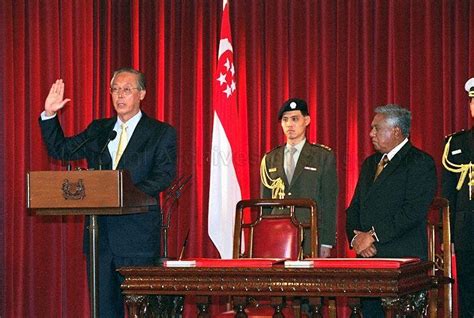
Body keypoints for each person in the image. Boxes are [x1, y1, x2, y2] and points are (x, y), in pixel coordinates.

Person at [39, 67, 177, 317]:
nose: (120, 96)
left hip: (138, 238)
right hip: (99, 237)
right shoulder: (99, 130)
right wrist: (49, 114)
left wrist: (122, 192)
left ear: (142, 94)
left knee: (143, 311)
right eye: (115, 89)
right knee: (104, 311)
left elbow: (163, 176)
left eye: (127, 89)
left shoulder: (160, 132)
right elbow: (62, 150)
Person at [345, 104, 437, 317]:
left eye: (376, 128)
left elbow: (413, 211)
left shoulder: (419, 162)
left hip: (403, 259)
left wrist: (373, 236)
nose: (371, 133)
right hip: (369, 257)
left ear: (396, 131)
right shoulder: (370, 164)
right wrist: (356, 240)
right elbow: (354, 208)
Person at [260, 98, 338, 258]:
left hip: (309, 234)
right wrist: (264, 236)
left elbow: (329, 202)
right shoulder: (270, 158)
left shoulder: (322, 156)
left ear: (307, 121)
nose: (289, 124)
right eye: (285, 119)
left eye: (295, 119)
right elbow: (265, 204)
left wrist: (326, 242)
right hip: (276, 235)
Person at [441, 78, 474, 318]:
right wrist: (448, 234)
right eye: (473, 101)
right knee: (468, 286)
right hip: (466, 227)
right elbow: (448, 195)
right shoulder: (457, 143)